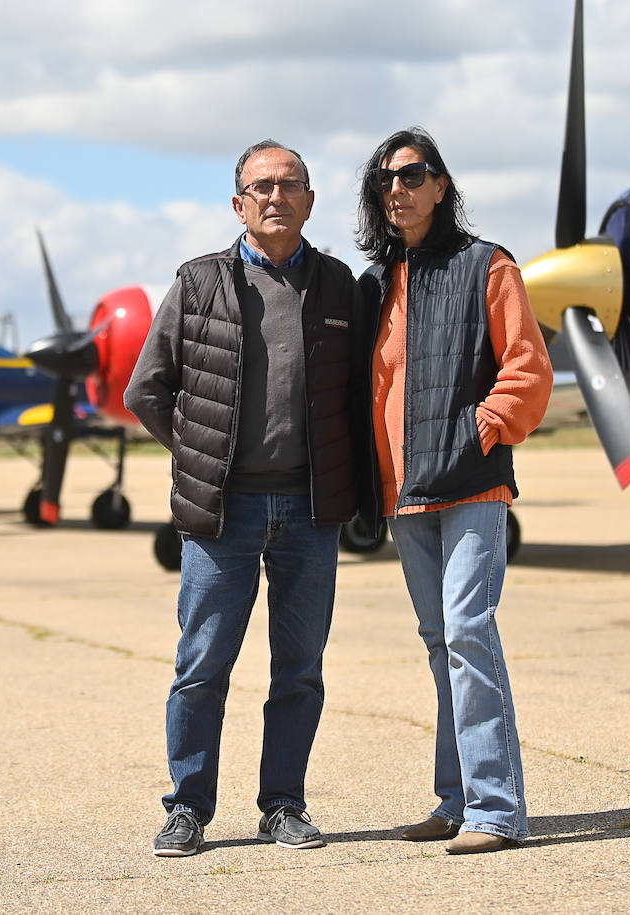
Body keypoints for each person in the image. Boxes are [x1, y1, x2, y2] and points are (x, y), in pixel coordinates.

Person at [125, 139, 366, 857]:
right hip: (222, 514)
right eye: (261, 186)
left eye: (290, 184)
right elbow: (147, 388)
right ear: (238, 204)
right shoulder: (198, 282)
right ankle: (187, 808)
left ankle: (284, 804)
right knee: (201, 666)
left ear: (310, 201)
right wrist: (201, 458)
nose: (275, 196)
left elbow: (357, 397)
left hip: (309, 513)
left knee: (300, 669)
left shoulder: (338, 286)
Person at [354, 128, 553, 854]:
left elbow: (528, 368)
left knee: (469, 631)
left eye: (412, 175)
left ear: (441, 185)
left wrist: (484, 430)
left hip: (469, 482)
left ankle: (496, 808)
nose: (397, 189)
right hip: (404, 495)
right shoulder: (376, 284)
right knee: (442, 643)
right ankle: (455, 799)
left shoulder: (487, 266)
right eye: (385, 181)